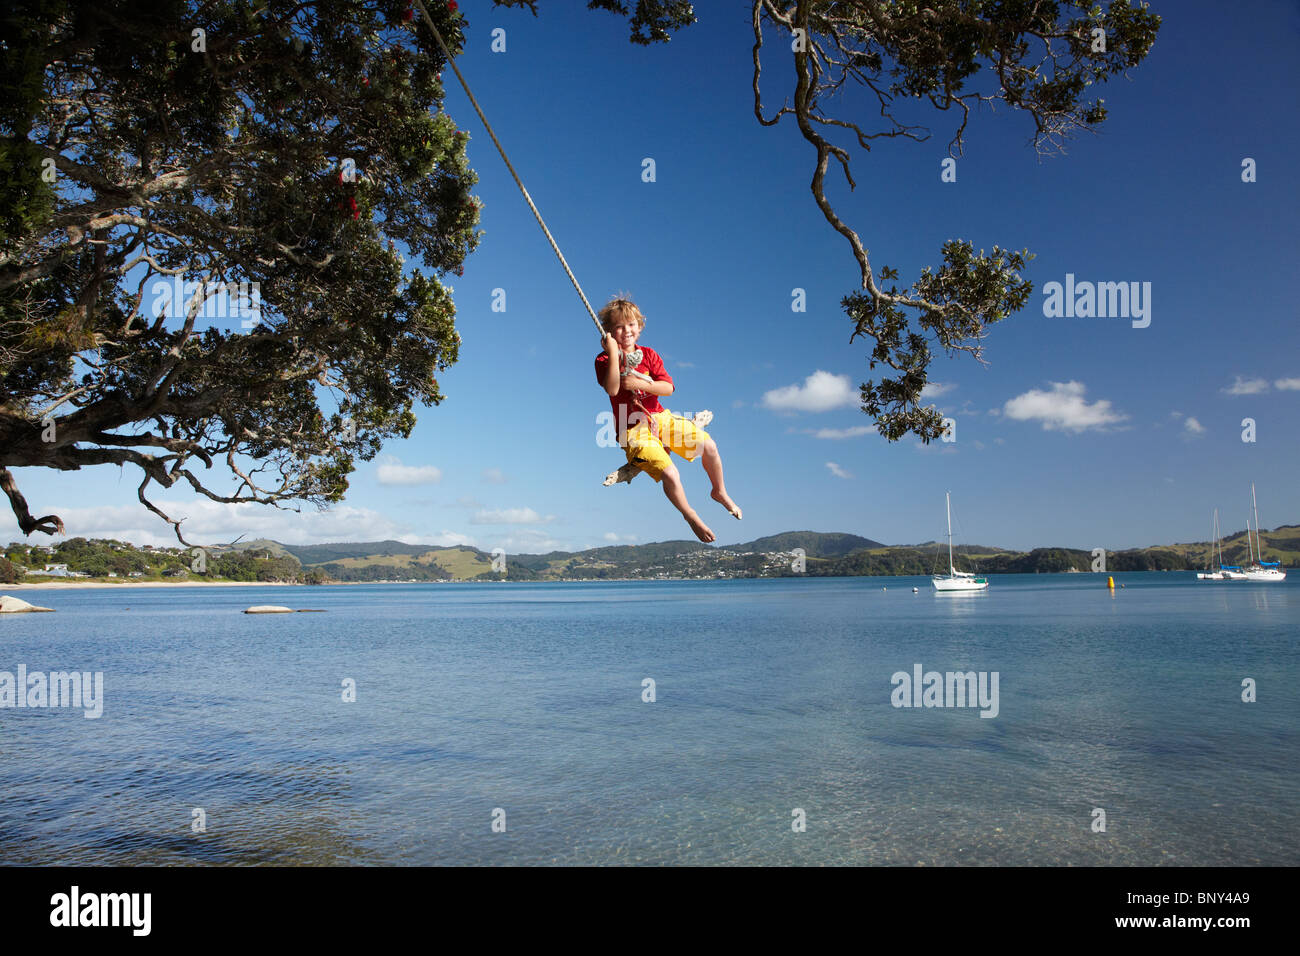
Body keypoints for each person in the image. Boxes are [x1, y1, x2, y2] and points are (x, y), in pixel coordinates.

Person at [595, 297, 740, 543]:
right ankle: (690, 515)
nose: (626, 330)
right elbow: (611, 388)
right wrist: (611, 352)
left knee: (710, 446)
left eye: (631, 324)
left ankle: (719, 491)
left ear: (639, 327)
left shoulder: (649, 355)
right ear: (609, 332)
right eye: (618, 326)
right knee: (671, 474)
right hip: (631, 430)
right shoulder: (604, 360)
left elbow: (668, 387)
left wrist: (641, 383)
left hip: (660, 418)